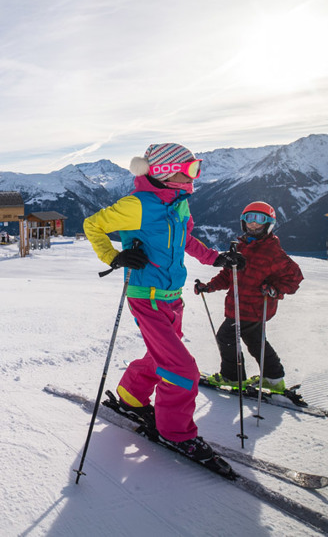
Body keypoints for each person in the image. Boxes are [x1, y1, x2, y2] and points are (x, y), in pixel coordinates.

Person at [83, 143, 245, 462]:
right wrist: (115, 256)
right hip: (147, 298)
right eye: (189, 169)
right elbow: (93, 225)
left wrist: (217, 259)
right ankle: (174, 432)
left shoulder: (179, 204)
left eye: (194, 168)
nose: (193, 176)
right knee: (182, 369)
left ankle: (131, 397)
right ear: (163, 172)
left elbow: (185, 240)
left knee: (161, 357)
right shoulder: (137, 205)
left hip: (173, 298)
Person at [196, 201, 304, 393]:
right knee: (256, 342)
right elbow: (228, 275)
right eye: (249, 219)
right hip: (239, 305)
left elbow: (294, 278)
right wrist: (209, 286)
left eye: (259, 220)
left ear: (269, 224)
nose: (253, 224)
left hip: (253, 308)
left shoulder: (273, 252)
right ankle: (274, 378)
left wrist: (273, 290)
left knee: (225, 336)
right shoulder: (241, 247)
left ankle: (232, 376)